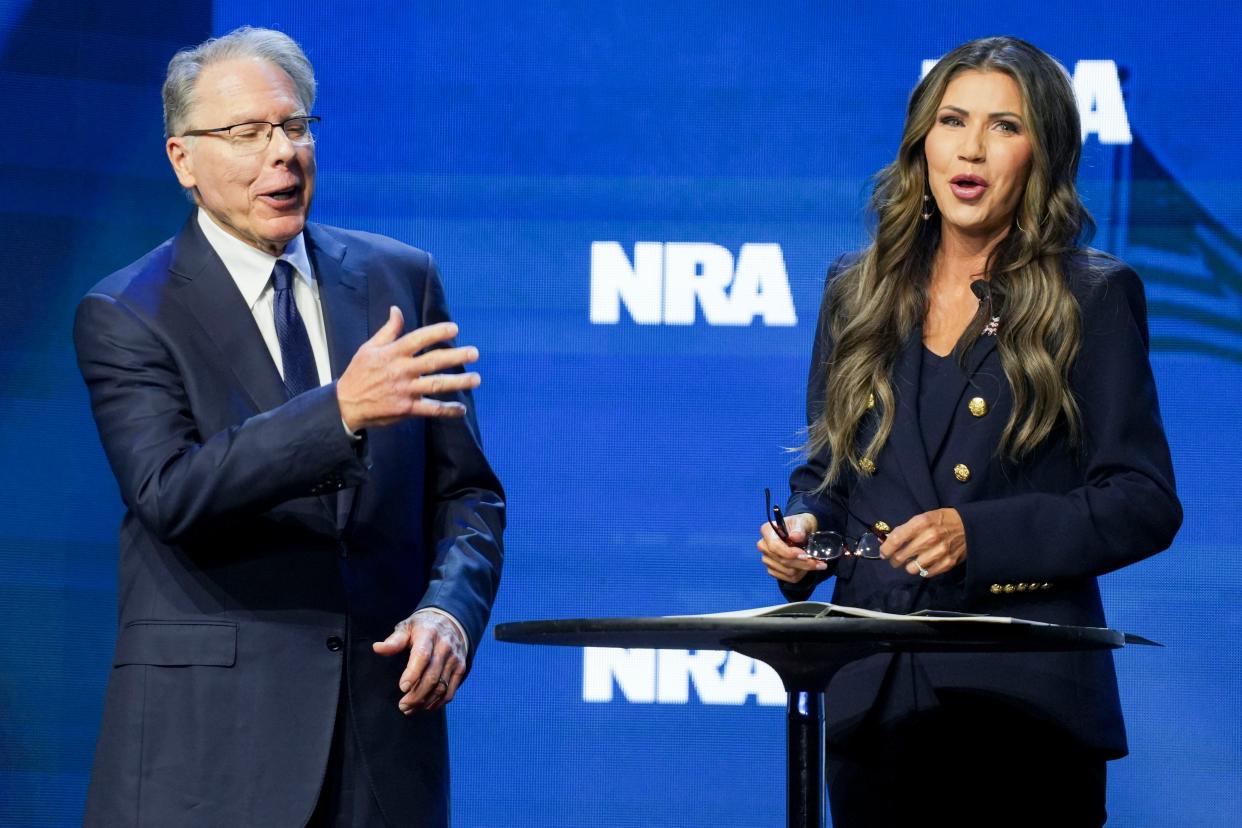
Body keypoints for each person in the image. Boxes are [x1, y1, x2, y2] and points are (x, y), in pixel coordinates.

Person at [73, 26, 503, 827]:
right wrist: (337, 411)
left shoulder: (397, 279)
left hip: (382, 747)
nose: (284, 153)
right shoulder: (126, 312)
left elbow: (468, 491)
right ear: (183, 161)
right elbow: (170, 491)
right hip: (211, 753)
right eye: (248, 134)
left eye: (296, 126)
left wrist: (450, 610)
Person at [756, 36, 1180, 827]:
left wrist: (975, 537)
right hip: (873, 699)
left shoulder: (1088, 296)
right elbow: (832, 476)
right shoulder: (856, 292)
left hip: (1023, 703)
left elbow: (1143, 500)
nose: (972, 148)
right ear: (922, 143)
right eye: (953, 121)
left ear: (1042, 153)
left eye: (1004, 126)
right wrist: (808, 532)